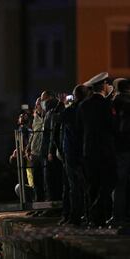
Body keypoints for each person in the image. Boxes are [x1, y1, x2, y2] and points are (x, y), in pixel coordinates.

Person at [78, 72, 116, 227]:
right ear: (104, 85)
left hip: (88, 150)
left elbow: (79, 128)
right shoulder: (107, 104)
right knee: (108, 183)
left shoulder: (83, 105)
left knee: (92, 185)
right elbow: (112, 126)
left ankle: (92, 218)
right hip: (105, 150)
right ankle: (100, 214)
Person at [59, 85, 89, 226]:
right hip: (85, 152)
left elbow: (61, 119)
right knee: (87, 186)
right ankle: (87, 215)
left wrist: (64, 104)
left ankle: (75, 216)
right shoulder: (87, 110)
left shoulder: (70, 111)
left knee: (73, 186)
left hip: (71, 153)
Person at [110, 78, 130, 225]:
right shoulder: (127, 101)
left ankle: (118, 216)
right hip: (125, 147)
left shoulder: (115, 102)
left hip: (119, 148)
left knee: (119, 184)